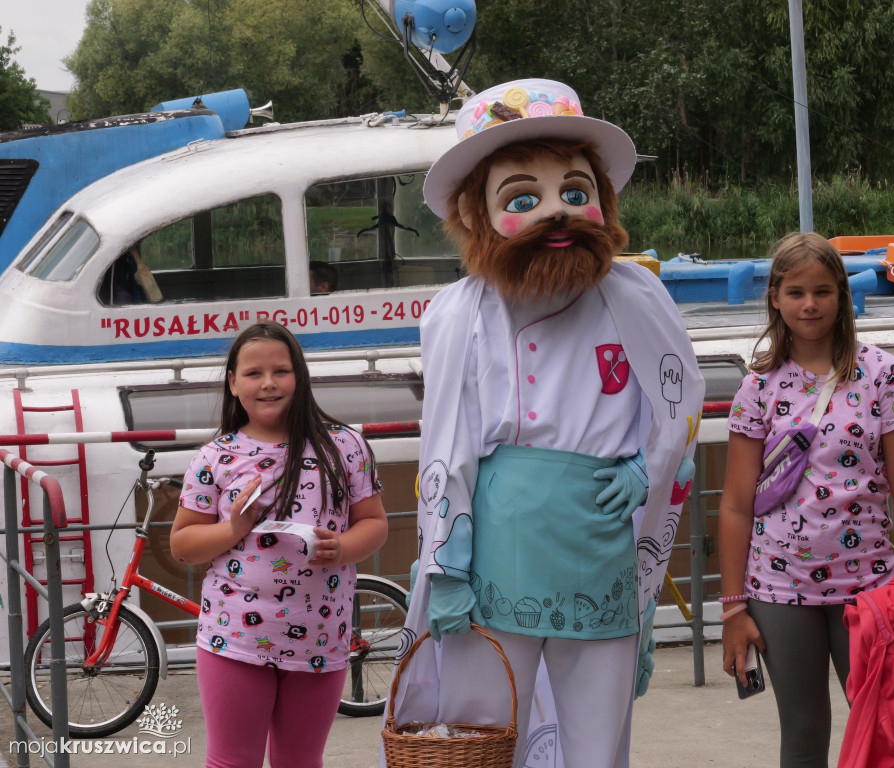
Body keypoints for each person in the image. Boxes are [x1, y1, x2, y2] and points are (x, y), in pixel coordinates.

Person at [387, 78, 705, 768]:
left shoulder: (634, 294)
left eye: (576, 192)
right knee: (483, 730)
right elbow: (445, 442)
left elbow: (680, 399)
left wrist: (644, 468)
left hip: (600, 539)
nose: (557, 213)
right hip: (494, 546)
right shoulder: (458, 312)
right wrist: (446, 565)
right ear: (477, 215)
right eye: (523, 200)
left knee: (598, 735)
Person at [718, 232, 894, 768]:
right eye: (794, 292)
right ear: (775, 298)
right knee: (804, 733)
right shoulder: (758, 388)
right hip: (779, 588)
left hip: (873, 588)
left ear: (842, 296)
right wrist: (734, 607)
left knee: (888, 731)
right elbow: (737, 504)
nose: (809, 305)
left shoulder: (883, 375)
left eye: (821, 291)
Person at [170, 321, 387, 768]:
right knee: (232, 762)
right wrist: (233, 529)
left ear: (299, 376)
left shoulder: (345, 447)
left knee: (301, 762)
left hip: (321, 638)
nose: (268, 383)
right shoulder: (214, 458)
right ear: (232, 383)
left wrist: (343, 548)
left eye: (280, 371)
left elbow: (375, 524)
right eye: (252, 373)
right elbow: (183, 545)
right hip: (234, 637)